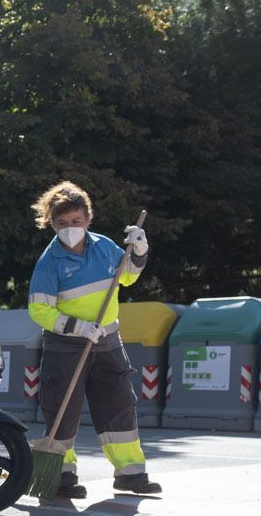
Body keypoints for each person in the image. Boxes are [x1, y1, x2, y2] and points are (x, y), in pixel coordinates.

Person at [26, 181, 162, 498]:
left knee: (119, 406)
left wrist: (139, 252)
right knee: (63, 410)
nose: (70, 229)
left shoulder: (105, 247)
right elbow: (39, 310)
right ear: (52, 224)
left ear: (88, 219)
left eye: (76, 221)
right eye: (62, 224)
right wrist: (77, 326)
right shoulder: (49, 262)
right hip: (65, 346)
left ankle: (130, 474)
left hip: (108, 341)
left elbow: (126, 276)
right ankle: (60, 476)